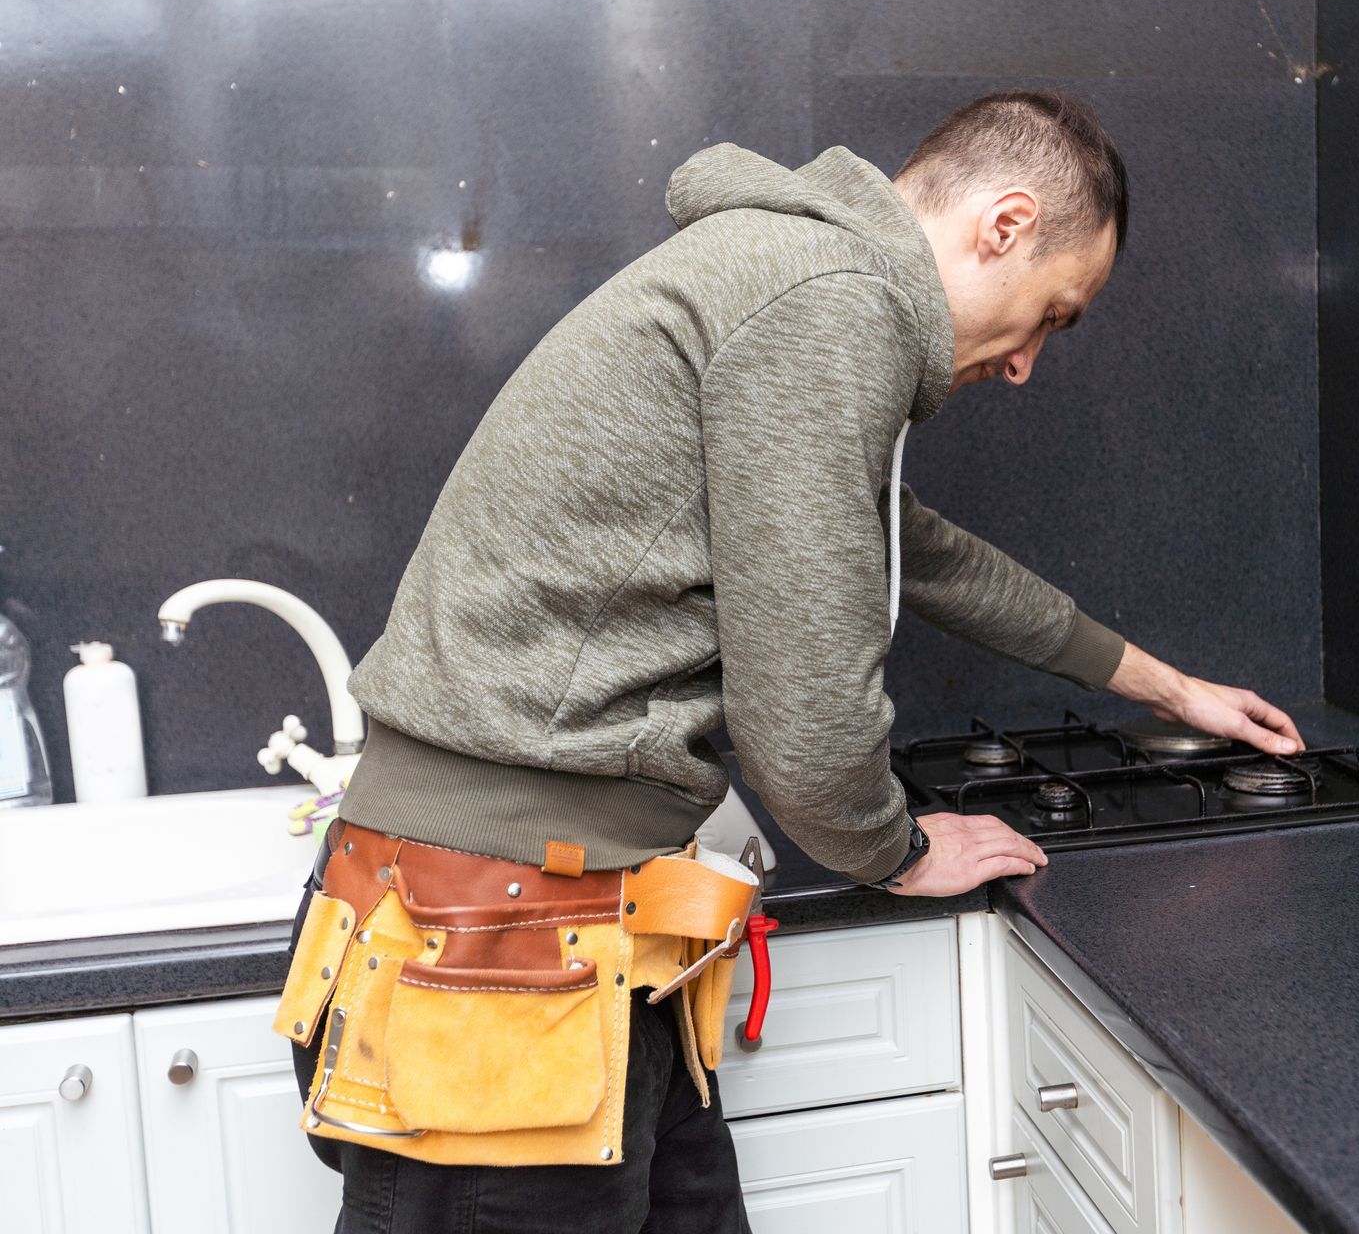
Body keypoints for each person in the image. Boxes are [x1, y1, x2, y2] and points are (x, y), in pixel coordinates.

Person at [285, 88, 1303, 1232]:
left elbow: (919, 553)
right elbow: (806, 722)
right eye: (1054, 314)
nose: (1026, 364)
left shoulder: (790, 280)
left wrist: (1167, 686)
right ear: (1005, 224)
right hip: (495, 940)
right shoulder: (830, 301)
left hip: (579, 928)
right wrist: (896, 848)